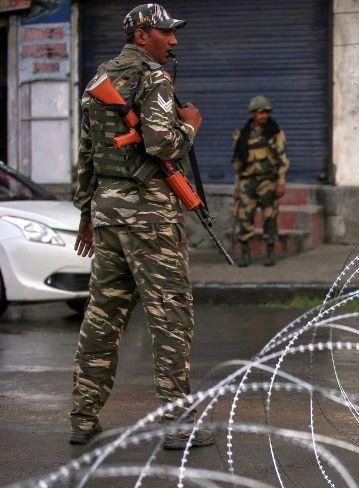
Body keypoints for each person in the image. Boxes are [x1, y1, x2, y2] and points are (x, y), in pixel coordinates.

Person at [70, 3, 213, 450]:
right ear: (141, 35)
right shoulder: (154, 79)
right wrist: (189, 127)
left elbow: (88, 155)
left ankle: (82, 417)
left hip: (109, 209)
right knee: (170, 314)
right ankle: (179, 423)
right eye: (165, 33)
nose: (174, 41)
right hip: (148, 215)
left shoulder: (100, 79)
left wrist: (87, 214)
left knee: (102, 316)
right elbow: (161, 143)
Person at [232, 95, 290, 267]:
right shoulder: (242, 135)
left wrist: (281, 182)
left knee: (269, 217)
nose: (264, 115)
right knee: (244, 218)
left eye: (266, 112)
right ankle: (245, 254)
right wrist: (237, 186)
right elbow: (237, 162)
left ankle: (270, 253)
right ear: (253, 113)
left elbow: (282, 159)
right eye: (260, 112)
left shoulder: (275, 133)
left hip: (267, 181)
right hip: (247, 181)